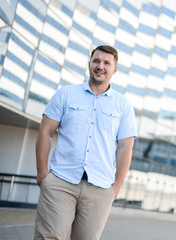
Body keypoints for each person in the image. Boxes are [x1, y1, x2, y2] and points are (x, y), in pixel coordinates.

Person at [34, 45, 137, 239]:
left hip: (100, 188)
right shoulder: (65, 94)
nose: (101, 66)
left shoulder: (123, 105)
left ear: (114, 70)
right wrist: (42, 172)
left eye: (107, 63)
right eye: (97, 61)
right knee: (49, 237)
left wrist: (116, 187)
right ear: (89, 65)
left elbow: (125, 147)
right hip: (61, 181)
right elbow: (45, 131)